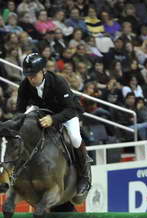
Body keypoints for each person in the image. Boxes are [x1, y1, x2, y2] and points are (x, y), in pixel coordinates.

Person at [15, 53, 91, 195]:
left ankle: (84, 176)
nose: (31, 78)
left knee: (75, 138)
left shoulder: (58, 82)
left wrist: (53, 119)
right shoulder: (25, 85)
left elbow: (70, 109)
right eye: (28, 75)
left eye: (34, 75)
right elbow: (19, 111)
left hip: (66, 112)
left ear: (43, 71)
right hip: (42, 110)